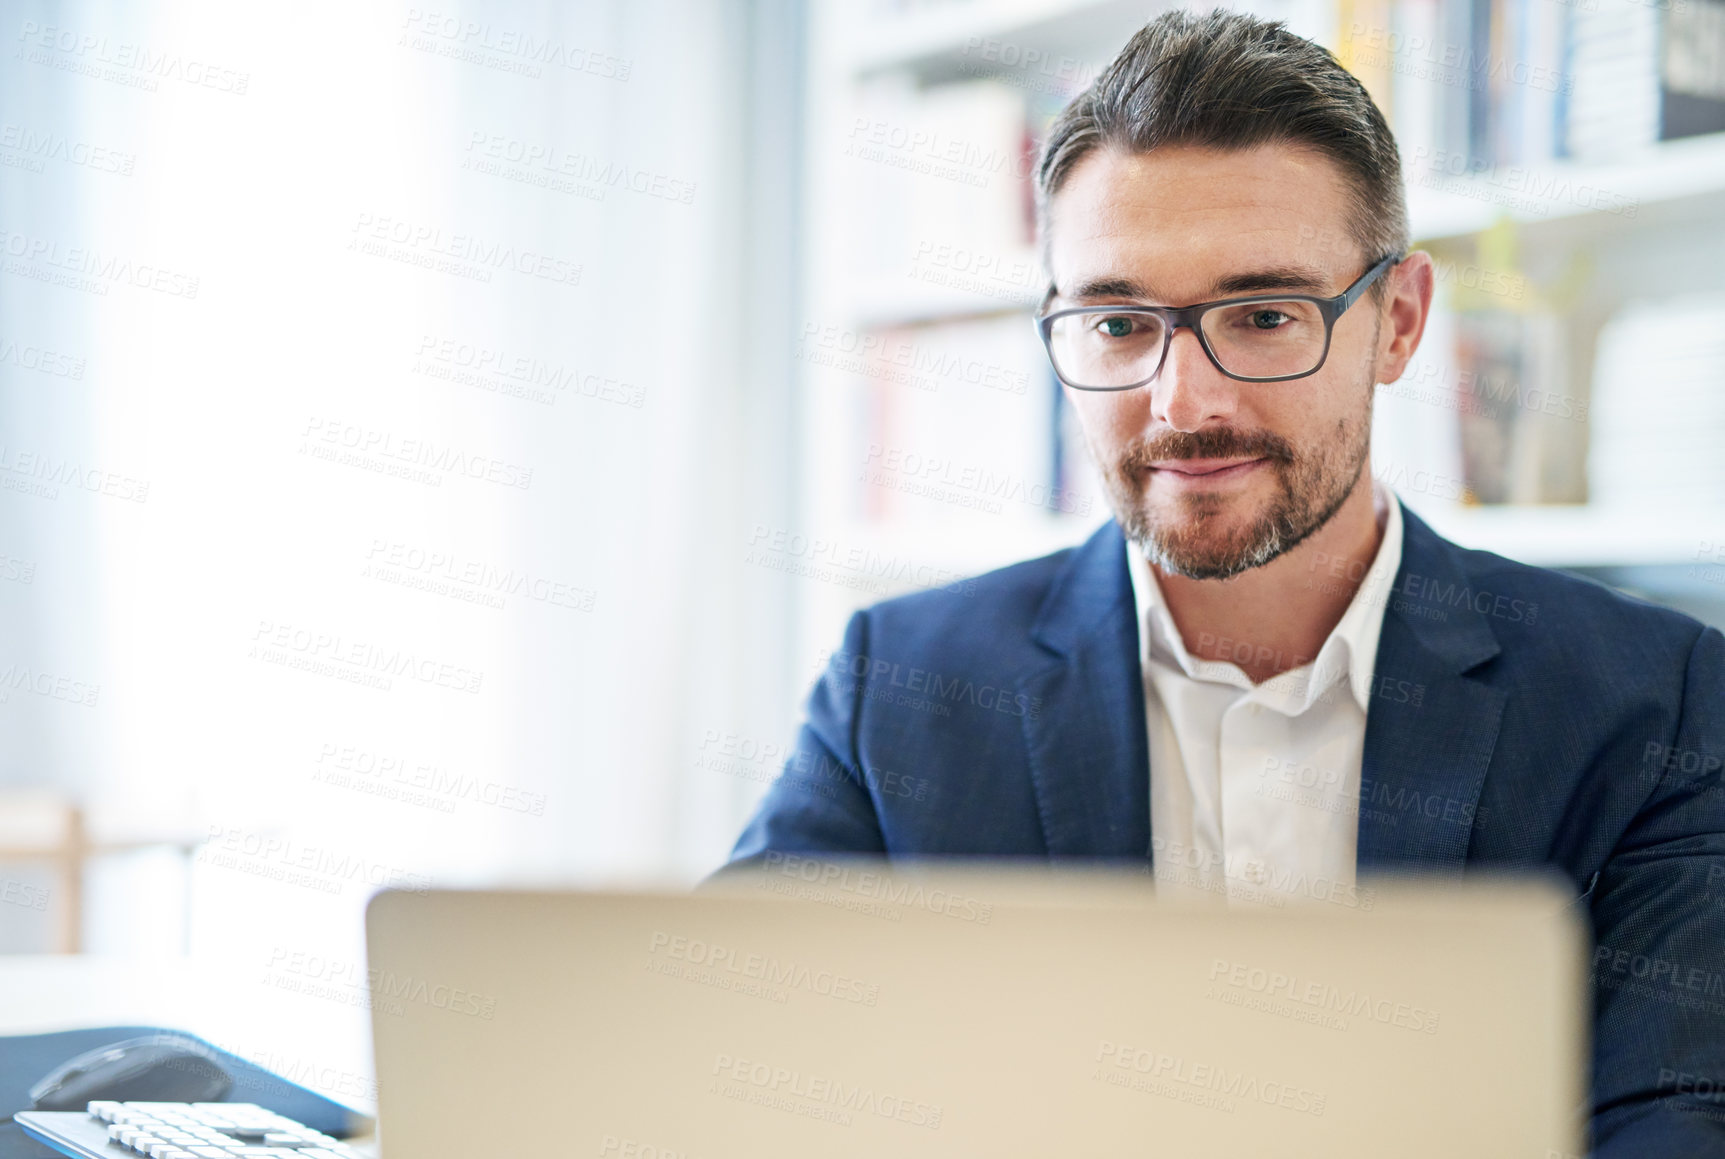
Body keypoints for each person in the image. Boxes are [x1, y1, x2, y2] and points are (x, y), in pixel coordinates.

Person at [727, 9, 1725, 1152]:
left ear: (1396, 323)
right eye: (1117, 321)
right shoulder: (898, 692)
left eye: (1260, 316)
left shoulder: (1657, 701)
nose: (1184, 404)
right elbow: (729, 1063)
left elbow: (1675, 1118)